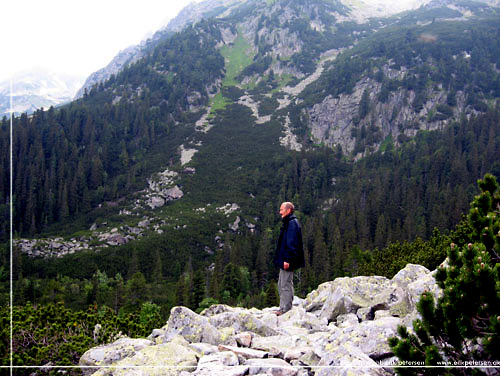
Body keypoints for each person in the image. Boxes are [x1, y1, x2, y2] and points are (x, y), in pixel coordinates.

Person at [272, 202, 305, 315]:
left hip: (287, 260)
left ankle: (285, 309)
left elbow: (291, 244)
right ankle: (285, 306)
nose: (280, 212)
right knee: (283, 283)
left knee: (285, 283)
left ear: (288, 210)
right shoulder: (290, 223)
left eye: (282, 209)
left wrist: (288, 259)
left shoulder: (291, 224)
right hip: (285, 259)